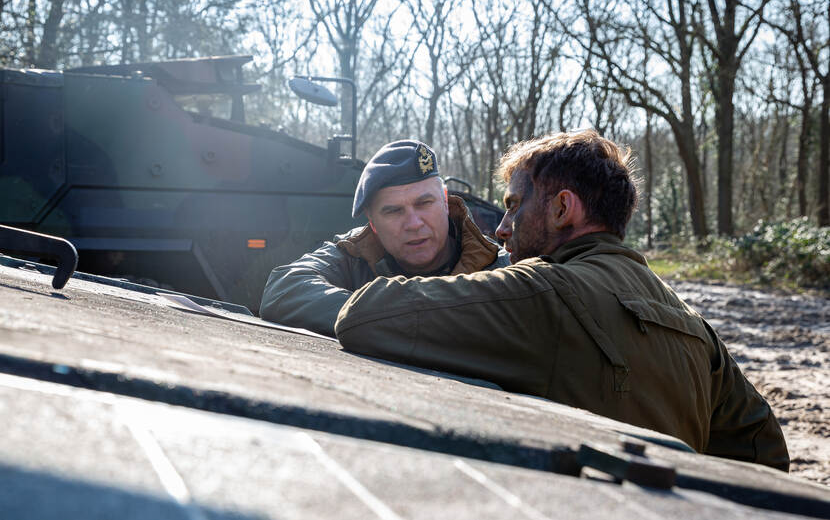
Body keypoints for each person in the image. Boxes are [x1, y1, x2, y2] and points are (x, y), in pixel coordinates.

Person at [334, 130, 789, 471]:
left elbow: (366, 315)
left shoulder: (540, 291)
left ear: (561, 209)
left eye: (514, 205)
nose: (501, 227)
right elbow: (764, 451)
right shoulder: (695, 324)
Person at [260, 139, 510, 336]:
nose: (413, 223)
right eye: (393, 211)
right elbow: (283, 289)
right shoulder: (354, 252)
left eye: (424, 203)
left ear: (445, 201)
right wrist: (396, 315)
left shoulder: (499, 267)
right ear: (373, 223)